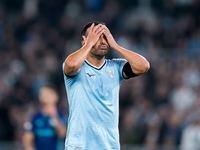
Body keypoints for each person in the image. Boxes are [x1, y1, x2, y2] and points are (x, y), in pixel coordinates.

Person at [62, 21, 150, 150]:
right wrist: (89, 44)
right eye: (97, 37)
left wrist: (115, 45)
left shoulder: (115, 67)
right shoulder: (78, 67)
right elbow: (71, 65)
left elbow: (144, 66)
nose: (103, 41)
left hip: (109, 144)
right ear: (84, 41)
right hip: (80, 144)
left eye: (105, 37)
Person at [23, 86, 68, 150]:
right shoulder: (36, 117)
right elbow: (28, 137)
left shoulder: (60, 115)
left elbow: (62, 133)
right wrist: (29, 147)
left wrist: (54, 117)